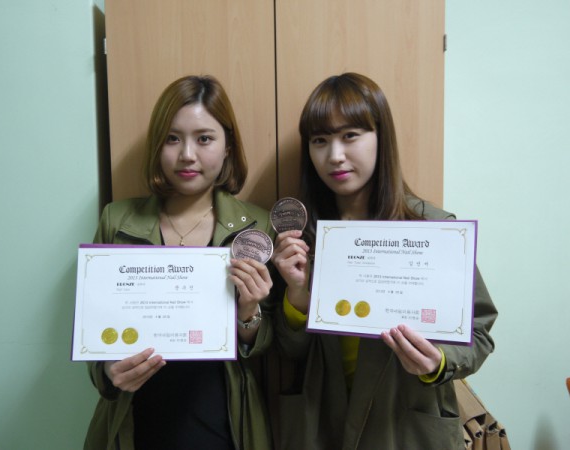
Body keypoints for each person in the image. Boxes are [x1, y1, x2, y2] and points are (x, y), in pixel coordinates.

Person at [271, 73, 498, 450]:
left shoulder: (433, 230)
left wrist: (438, 362)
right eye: (320, 140)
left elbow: (480, 333)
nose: (335, 156)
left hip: (404, 427)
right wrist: (297, 294)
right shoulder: (301, 238)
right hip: (322, 425)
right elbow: (288, 351)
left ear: (381, 137)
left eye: (350, 135)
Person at [84, 75, 274, 450]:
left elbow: (271, 344)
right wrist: (107, 371)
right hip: (137, 422)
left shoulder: (256, 226)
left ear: (227, 146)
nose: (187, 154)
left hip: (224, 423)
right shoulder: (116, 220)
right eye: (173, 138)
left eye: (204, 139)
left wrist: (249, 312)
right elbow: (94, 334)